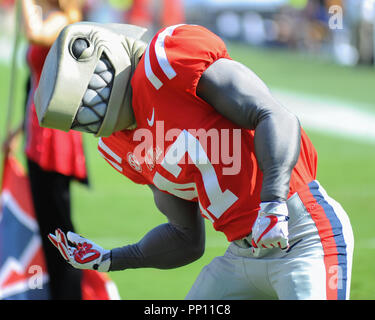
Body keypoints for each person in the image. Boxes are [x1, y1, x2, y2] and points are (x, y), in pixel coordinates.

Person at [35, 22, 354, 300]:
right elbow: (185, 237)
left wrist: (272, 202)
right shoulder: (119, 146)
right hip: (242, 256)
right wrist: (110, 258)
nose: (91, 114)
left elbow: (274, 114)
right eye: (79, 116)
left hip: (301, 235)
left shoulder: (165, 64)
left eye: (91, 94)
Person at [3, 0, 88, 299]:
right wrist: (17, 130)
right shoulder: (51, 17)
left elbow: (35, 34)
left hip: (54, 143)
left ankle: (72, 294)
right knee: (48, 230)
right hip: (36, 140)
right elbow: (34, 85)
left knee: (59, 233)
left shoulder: (64, 20)